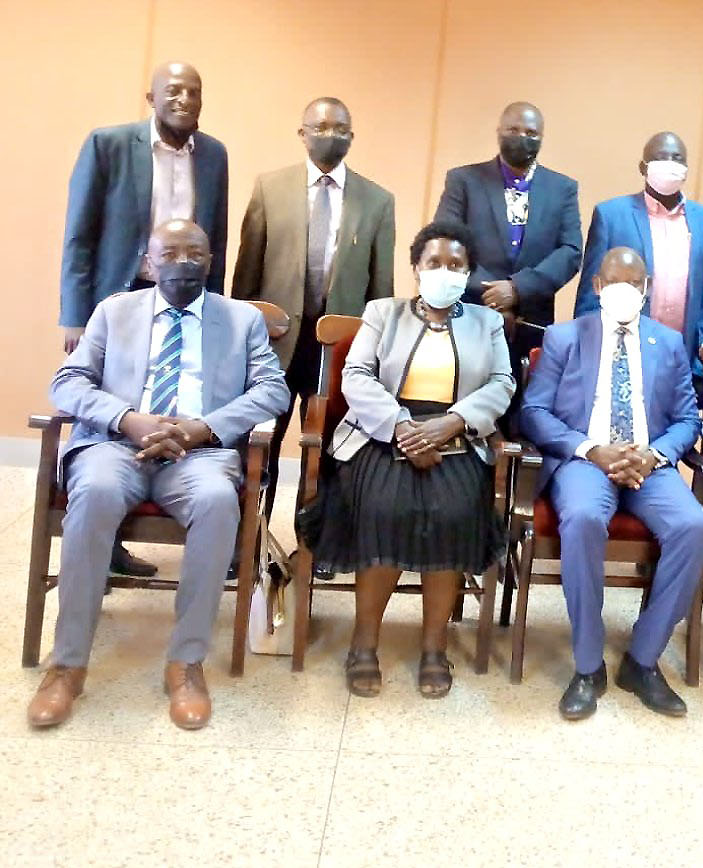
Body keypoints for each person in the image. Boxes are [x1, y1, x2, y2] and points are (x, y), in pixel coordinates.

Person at [28, 219, 289, 731]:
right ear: (148, 263)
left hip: (200, 454)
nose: (183, 261)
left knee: (218, 501)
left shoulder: (241, 320)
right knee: (96, 491)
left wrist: (202, 428)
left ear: (211, 263)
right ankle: (68, 665)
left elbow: (272, 391)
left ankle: (186, 663)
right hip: (115, 445)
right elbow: (67, 382)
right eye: (170, 252)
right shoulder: (113, 311)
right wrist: (129, 419)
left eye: (195, 252)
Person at [306, 220, 514, 699]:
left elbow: (502, 384)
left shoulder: (488, 323)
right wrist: (402, 428)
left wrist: (453, 422)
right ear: (416, 269)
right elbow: (356, 375)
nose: (445, 271)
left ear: (469, 273)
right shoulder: (383, 312)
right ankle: (364, 643)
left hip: (456, 434)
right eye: (434, 263)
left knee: (454, 514)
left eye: (456, 265)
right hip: (382, 433)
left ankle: (434, 647)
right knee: (383, 510)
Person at [521, 247, 703, 721]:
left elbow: (688, 418)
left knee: (693, 527)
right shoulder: (565, 338)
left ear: (646, 290)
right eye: (615, 282)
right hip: (586, 459)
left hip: (651, 464)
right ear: (598, 287)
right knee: (583, 518)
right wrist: (591, 450)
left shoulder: (667, 342)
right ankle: (588, 665)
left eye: (636, 283)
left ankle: (642, 660)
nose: (626, 290)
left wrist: (656, 454)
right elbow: (534, 412)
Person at [59, 61, 230, 579]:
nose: (184, 99)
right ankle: (101, 546)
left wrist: (215, 314)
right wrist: (75, 315)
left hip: (186, 294)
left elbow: (215, 239)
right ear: (150, 97)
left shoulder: (215, 154)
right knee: (110, 417)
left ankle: (169, 518)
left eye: (194, 91)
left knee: (175, 402)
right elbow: (79, 233)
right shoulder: (109, 144)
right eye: (172, 90)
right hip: (118, 294)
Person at [231, 96, 396, 521]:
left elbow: (381, 289)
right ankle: (247, 537)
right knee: (259, 440)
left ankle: (316, 543)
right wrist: (239, 331)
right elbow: (247, 271)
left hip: (337, 349)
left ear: (352, 137)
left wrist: (375, 352)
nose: (330, 136)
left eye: (340, 128)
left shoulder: (377, 201)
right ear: (302, 133)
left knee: (325, 449)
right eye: (320, 127)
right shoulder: (270, 187)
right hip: (275, 343)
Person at [433, 101, 581, 356]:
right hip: (468, 313)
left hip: (531, 323)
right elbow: (444, 242)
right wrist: (492, 294)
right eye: (513, 130)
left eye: (531, 133)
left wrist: (516, 289)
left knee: (523, 394)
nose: (522, 137)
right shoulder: (464, 180)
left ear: (542, 138)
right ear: (499, 131)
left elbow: (571, 251)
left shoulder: (562, 188)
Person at [573, 132, 703, 382]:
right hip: (618, 355)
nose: (670, 163)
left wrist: (698, 362)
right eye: (661, 157)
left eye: (677, 158)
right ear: (643, 167)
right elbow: (590, 295)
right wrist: (590, 352)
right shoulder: (611, 215)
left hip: (679, 361)